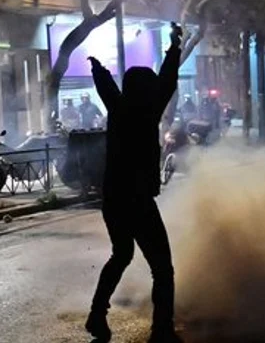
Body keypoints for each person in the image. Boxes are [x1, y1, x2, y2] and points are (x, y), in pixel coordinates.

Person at [85, 22, 183, 343]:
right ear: (147, 90)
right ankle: (162, 330)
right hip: (137, 201)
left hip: (113, 200)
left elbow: (106, 87)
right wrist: (173, 47)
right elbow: (168, 80)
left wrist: (98, 68)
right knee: (163, 270)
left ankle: (97, 314)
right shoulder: (148, 111)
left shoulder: (118, 108)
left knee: (121, 254)